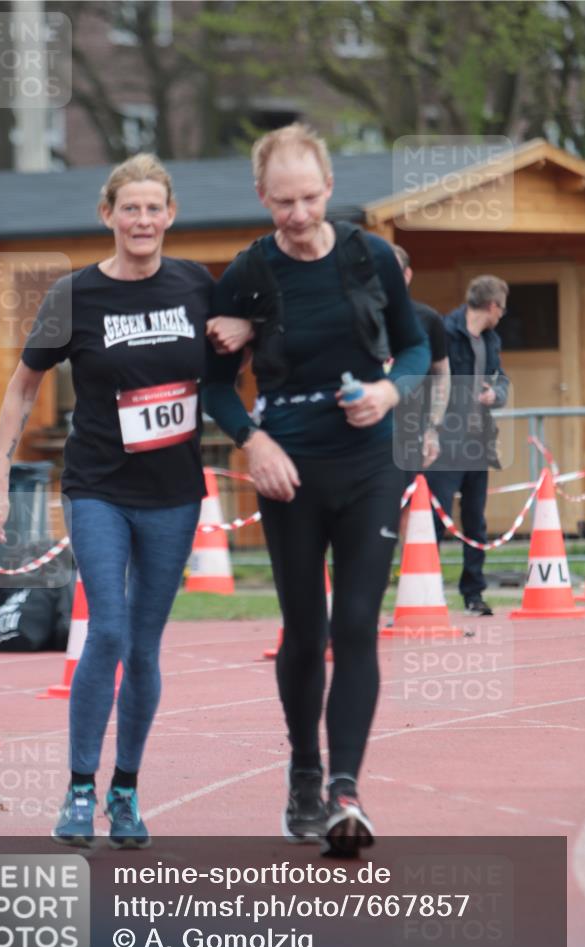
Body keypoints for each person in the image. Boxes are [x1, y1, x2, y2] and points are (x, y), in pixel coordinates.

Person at [0, 153, 247, 848]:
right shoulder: (74, 295)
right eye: (130, 208)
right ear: (108, 216)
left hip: (174, 493)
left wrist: (246, 335)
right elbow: (22, 387)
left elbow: (230, 355)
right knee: (110, 632)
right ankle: (77, 789)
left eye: (154, 207)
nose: (143, 220)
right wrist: (1, 481)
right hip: (97, 484)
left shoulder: (195, 283)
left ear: (170, 215)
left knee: (147, 649)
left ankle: (124, 790)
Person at [203, 124, 430, 855]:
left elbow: (418, 343)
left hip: (368, 463)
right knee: (305, 628)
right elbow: (214, 385)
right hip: (288, 470)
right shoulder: (248, 272)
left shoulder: (368, 256)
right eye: (281, 202)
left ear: (329, 189)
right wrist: (254, 441)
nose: (296, 215)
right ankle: (304, 772)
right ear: (261, 197)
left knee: (356, 624)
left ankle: (345, 791)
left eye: (308, 198)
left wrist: (391, 393)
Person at [425, 276, 510, 616]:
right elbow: (428, 379)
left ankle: (473, 593)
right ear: (493, 306)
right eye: (502, 309)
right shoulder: (444, 332)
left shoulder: (491, 340)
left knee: (475, 521)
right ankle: (426, 589)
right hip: (446, 440)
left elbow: (500, 377)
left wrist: (496, 394)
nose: (502, 315)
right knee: (436, 516)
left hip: (478, 440)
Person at [391, 244, 450, 543]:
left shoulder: (427, 319)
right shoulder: (354, 318)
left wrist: (433, 428)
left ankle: (408, 579)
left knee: (409, 507)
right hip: (361, 432)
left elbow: (442, 372)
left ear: (408, 275)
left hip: (410, 432)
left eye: (392, 273)